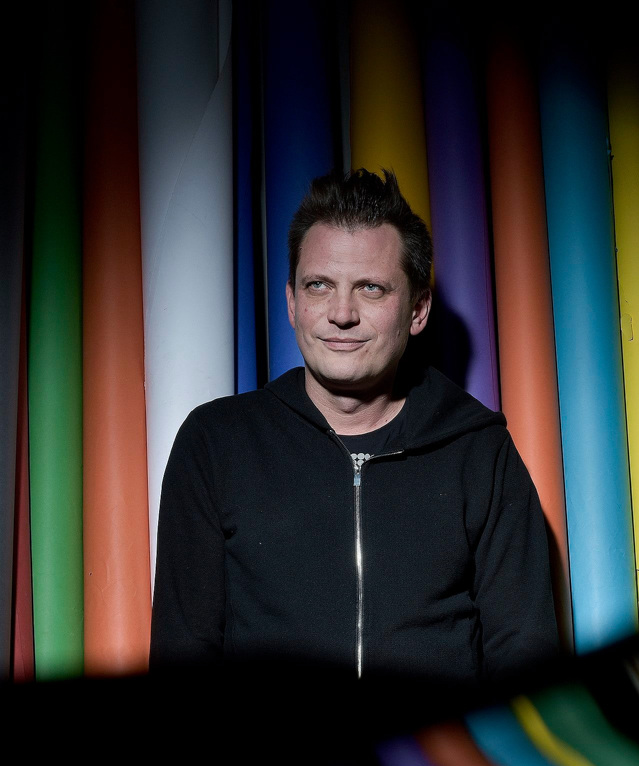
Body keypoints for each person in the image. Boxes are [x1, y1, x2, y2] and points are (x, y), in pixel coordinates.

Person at [149, 168, 557, 688]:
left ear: (418, 310)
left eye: (371, 288)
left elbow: (525, 658)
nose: (341, 314)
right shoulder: (215, 443)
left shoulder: (480, 452)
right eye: (319, 285)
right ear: (292, 303)